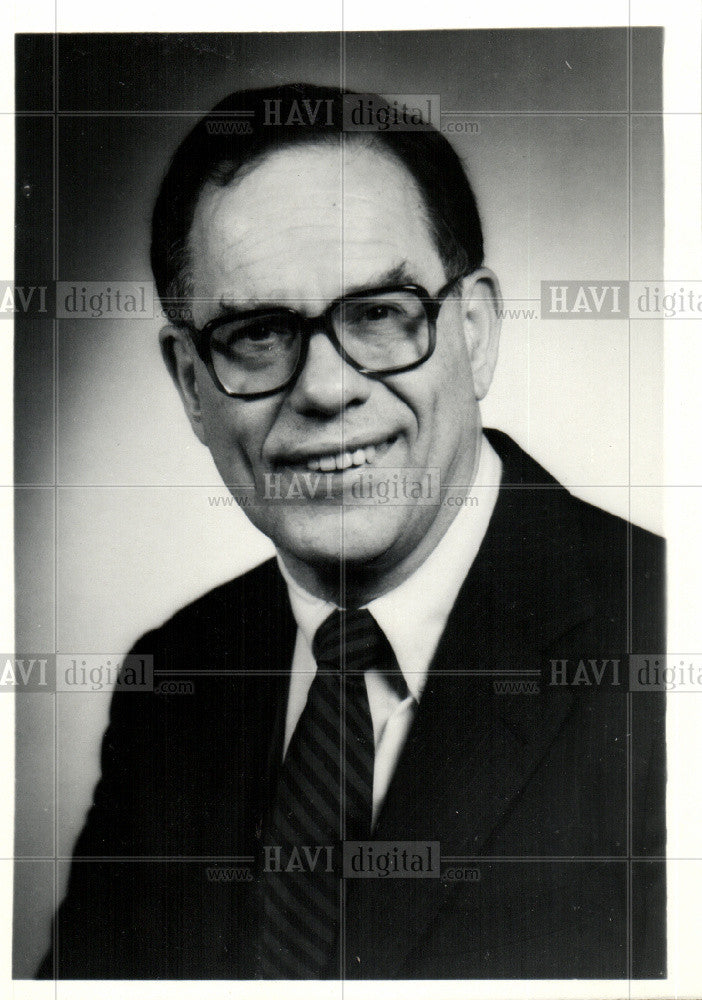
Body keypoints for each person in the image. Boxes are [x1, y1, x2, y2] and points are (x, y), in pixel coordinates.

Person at [38, 83, 665, 980]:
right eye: (257, 334)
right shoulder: (174, 678)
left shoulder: (659, 637)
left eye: (377, 314)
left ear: (476, 330)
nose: (325, 388)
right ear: (190, 385)